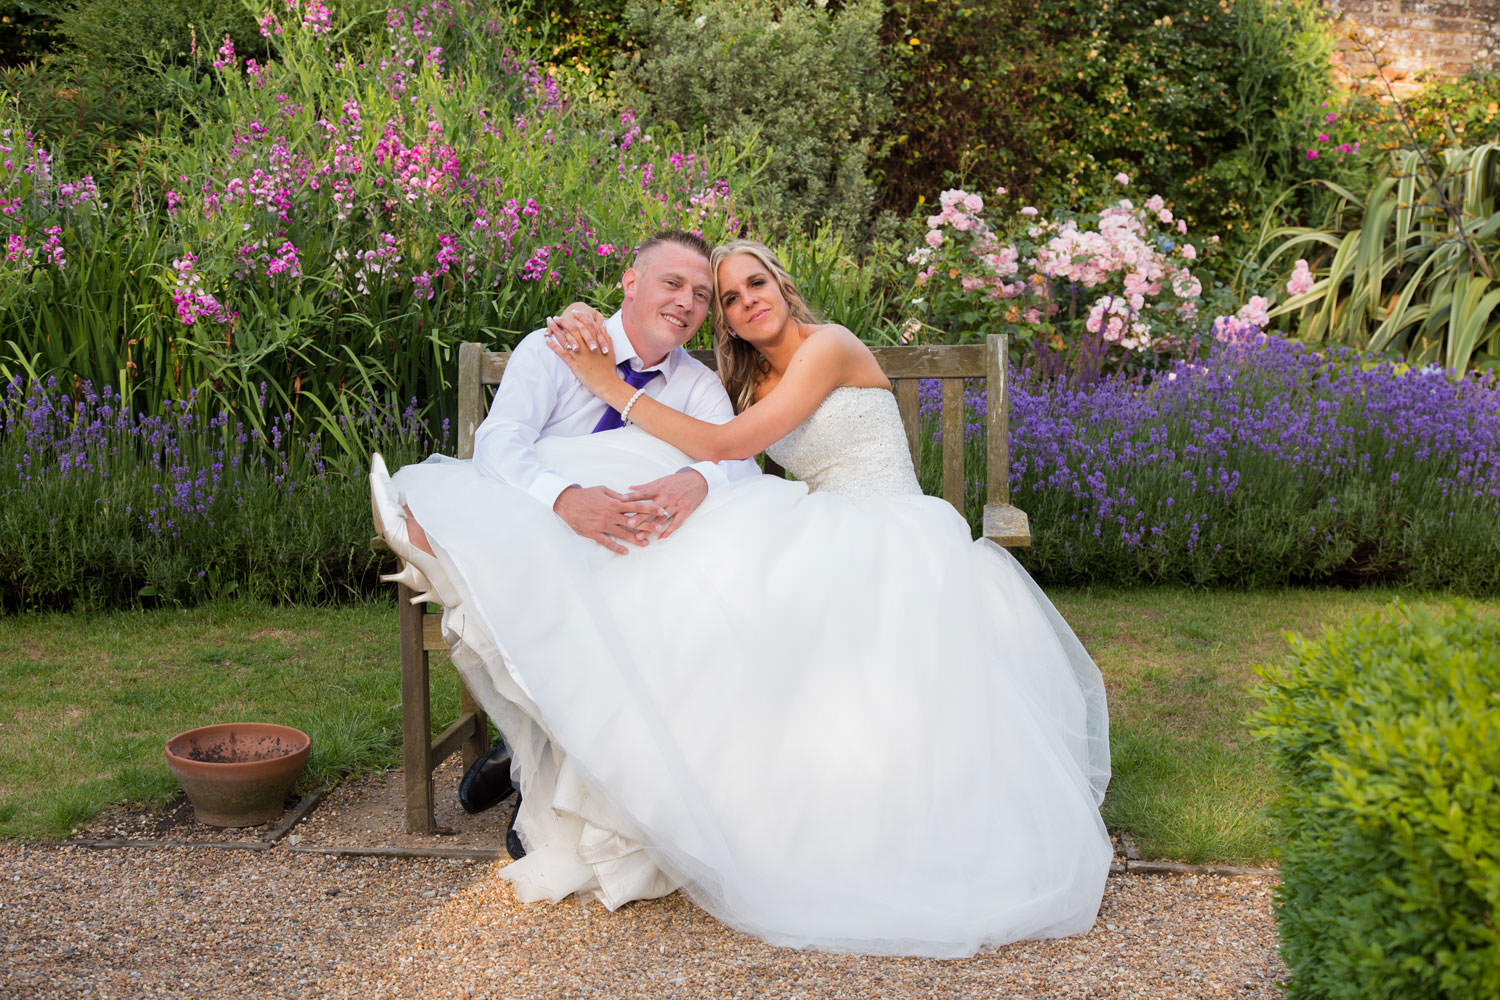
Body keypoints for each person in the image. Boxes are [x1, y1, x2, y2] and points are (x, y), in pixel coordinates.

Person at [371, 239, 1112, 958]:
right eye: (721, 296)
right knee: (693, 587)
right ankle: (561, 759)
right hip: (642, 526)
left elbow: (728, 453)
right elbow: (705, 439)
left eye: (742, 287)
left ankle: (688, 792)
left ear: (782, 287)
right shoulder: (730, 378)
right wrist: (596, 366)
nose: (729, 301)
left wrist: (626, 403)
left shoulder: (826, 347)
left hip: (887, 531)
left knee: (730, 607)